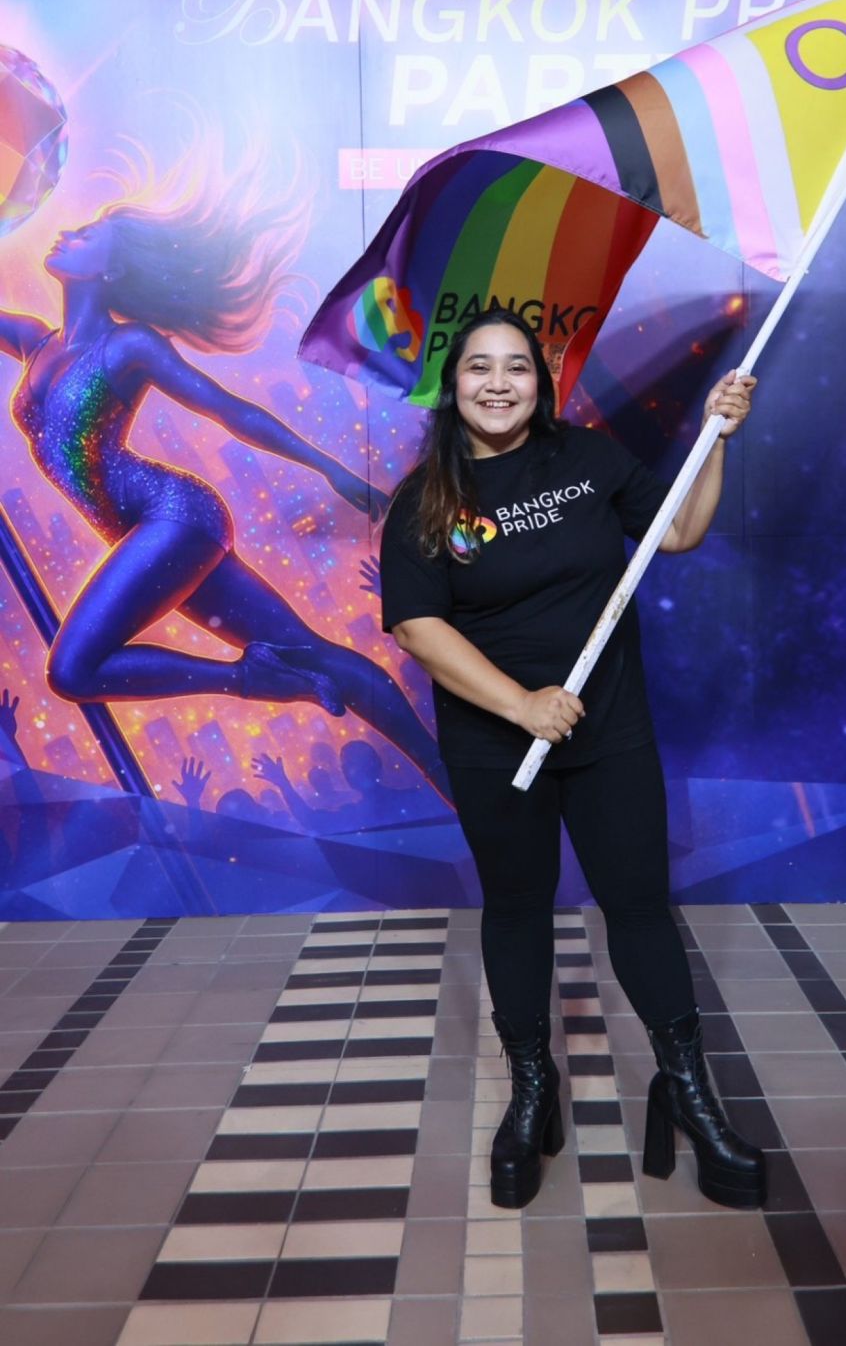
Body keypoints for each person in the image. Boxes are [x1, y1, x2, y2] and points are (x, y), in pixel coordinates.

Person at [378, 307, 766, 1211]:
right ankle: (532, 1091)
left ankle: (688, 1091)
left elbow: (678, 532)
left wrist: (715, 440)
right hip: (495, 743)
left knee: (639, 908)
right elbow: (418, 628)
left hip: (608, 730)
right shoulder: (425, 501)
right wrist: (521, 706)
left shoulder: (586, 459)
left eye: (518, 366)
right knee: (517, 909)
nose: (499, 383)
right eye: (479, 367)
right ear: (453, 385)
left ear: (541, 382)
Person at [0, 128, 441, 785]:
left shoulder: (130, 346)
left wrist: (330, 469)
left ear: (110, 271)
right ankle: (447, 776)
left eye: (88, 234)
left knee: (72, 670)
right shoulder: (36, 341)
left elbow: (229, 410)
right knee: (309, 651)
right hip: (152, 532)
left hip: (173, 519)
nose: (68, 232)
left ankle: (249, 679)